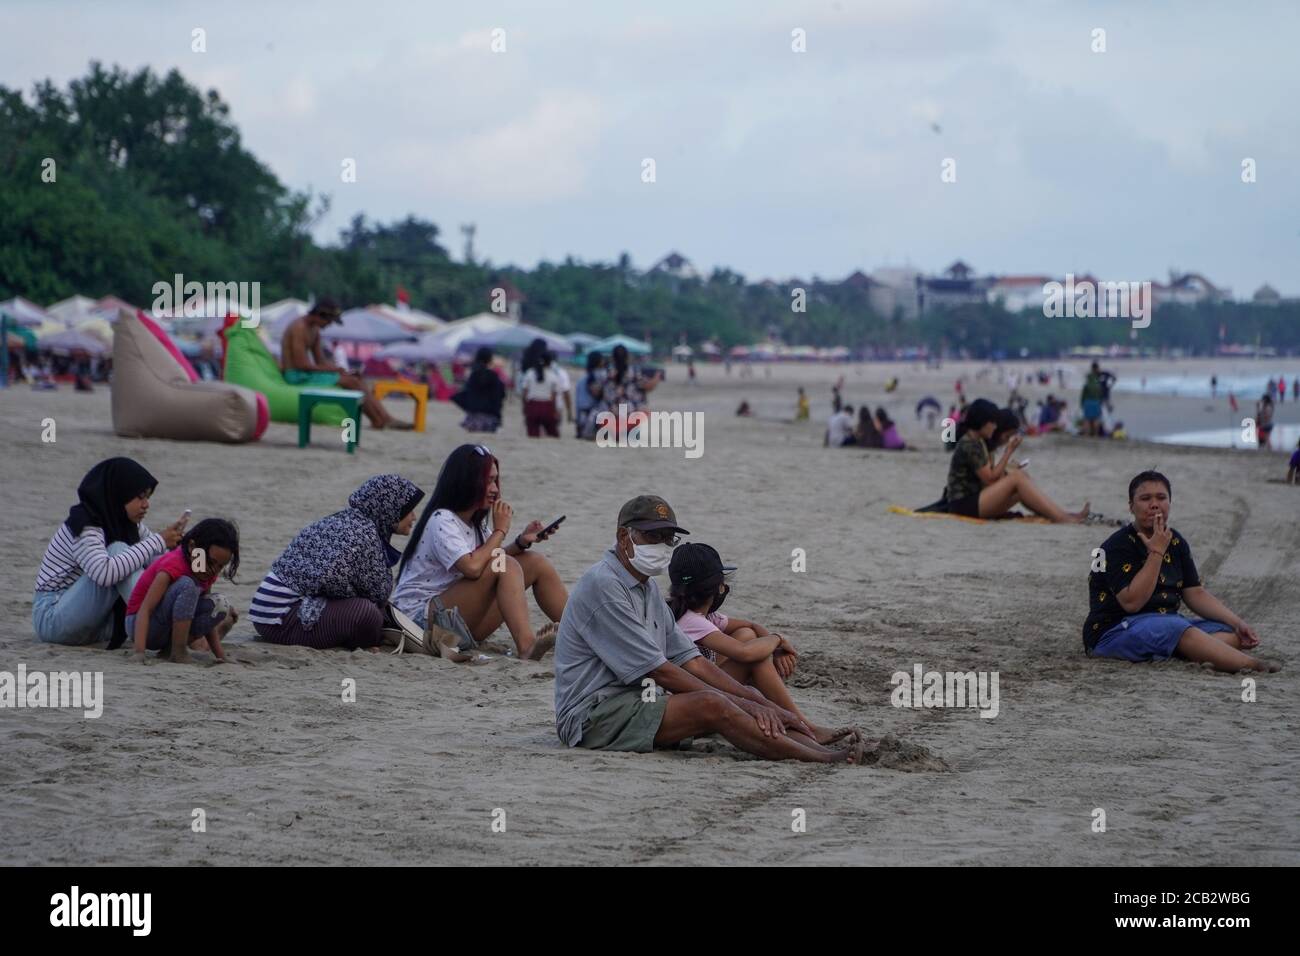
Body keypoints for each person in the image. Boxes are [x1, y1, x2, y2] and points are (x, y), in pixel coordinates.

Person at [552, 495, 866, 763]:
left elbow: (694, 661)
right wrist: (746, 703)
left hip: (636, 703)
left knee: (744, 696)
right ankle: (821, 757)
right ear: (624, 538)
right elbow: (659, 671)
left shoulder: (644, 588)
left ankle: (807, 735)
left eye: (667, 538)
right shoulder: (605, 585)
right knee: (715, 703)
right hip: (592, 717)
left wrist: (760, 703)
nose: (662, 546)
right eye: (653, 536)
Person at [1084, 471, 1278, 672]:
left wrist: (1238, 622)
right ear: (1131, 506)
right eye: (1145, 498)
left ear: (1170, 503)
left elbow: (1195, 593)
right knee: (1178, 629)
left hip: (1165, 623)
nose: (1154, 504)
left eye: (1161, 498)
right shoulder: (1117, 545)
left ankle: (1180, 647)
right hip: (1114, 631)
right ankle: (1252, 665)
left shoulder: (1175, 541)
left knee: (1232, 633)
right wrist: (1156, 552)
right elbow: (1132, 602)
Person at [667, 544, 857, 746]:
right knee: (755, 658)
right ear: (718, 587)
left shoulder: (701, 616)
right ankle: (804, 724)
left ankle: (787, 719)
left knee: (746, 634)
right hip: (694, 704)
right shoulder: (691, 621)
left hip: (701, 689)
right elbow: (745, 653)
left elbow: (751, 626)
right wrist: (778, 639)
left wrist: (775, 650)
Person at [393, 445, 564, 660]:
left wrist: (521, 543)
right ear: (466, 481)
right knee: (506, 564)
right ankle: (527, 646)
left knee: (534, 563)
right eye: (488, 481)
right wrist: (501, 530)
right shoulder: (442, 519)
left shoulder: (476, 525)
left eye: (495, 481)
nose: (494, 489)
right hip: (419, 621)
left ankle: (583, 634)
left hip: (454, 619)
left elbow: (488, 561)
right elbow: (473, 568)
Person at [250, 475, 424, 650]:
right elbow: (333, 578)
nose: (414, 517)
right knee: (367, 613)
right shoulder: (365, 532)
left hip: (264, 615)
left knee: (375, 608)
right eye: (409, 511)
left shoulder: (345, 520)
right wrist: (357, 596)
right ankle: (364, 643)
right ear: (391, 511)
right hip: (282, 619)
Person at [33, 458, 186, 646]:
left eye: (147, 497)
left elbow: (156, 561)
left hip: (96, 624)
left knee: (145, 560)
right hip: (53, 619)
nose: (146, 504)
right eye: (140, 497)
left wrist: (179, 547)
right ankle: (157, 628)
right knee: (118, 552)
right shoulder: (85, 525)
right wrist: (160, 540)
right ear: (118, 494)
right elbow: (103, 573)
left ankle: (182, 627)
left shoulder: (127, 524)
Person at [945, 398, 1088, 522]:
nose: (995, 427)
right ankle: (1062, 518)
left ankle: (1058, 514)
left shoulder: (977, 441)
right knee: (1018, 478)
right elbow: (989, 480)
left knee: (1020, 483)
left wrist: (1008, 469)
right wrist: (1009, 451)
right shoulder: (970, 444)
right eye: (992, 423)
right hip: (963, 505)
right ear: (982, 422)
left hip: (973, 500)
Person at [279, 299, 407, 429]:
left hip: (305, 373)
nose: (329, 325)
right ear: (319, 315)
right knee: (351, 382)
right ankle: (378, 420)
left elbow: (321, 361)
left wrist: (341, 370)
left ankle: (384, 418)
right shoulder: (299, 328)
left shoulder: (314, 330)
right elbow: (301, 365)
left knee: (356, 379)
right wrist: (336, 371)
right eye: (328, 321)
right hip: (295, 376)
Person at [126, 518, 240, 663]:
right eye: (210, 562)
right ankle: (178, 652)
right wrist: (139, 652)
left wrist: (220, 656)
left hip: (167, 630)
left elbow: (204, 613)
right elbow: (146, 609)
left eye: (220, 566)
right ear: (192, 547)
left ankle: (171, 649)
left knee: (218, 604)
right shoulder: (174, 565)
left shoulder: (206, 572)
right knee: (188, 584)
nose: (213, 570)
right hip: (141, 625)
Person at [452, 346, 506, 432]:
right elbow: (501, 395)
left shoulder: (472, 374)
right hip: (490, 418)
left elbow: (466, 393)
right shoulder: (493, 376)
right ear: (490, 359)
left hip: (473, 418)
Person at [518, 339, 563, 438]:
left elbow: (525, 392)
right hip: (547, 407)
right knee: (553, 434)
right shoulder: (553, 376)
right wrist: (555, 411)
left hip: (532, 405)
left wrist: (525, 407)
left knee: (533, 434)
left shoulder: (530, 373)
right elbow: (554, 396)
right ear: (550, 362)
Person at [574, 352, 606, 439]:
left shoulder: (582, 379)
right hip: (594, 414)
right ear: (599, 361)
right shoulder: (601, 375)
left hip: (582, 415)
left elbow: (578, 402)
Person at [1080, 363, 1105, 436]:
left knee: (1087, 419)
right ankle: (1095, 434)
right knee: (1096, 419)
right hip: (1096, 402)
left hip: (1087, 402)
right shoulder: (1098, 382)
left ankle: (1086, 434)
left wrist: (1081, 403)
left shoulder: (1088, 381)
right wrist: (1101, 402)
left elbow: (1083, 394)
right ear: (1097, 368)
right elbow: (1101, 394)